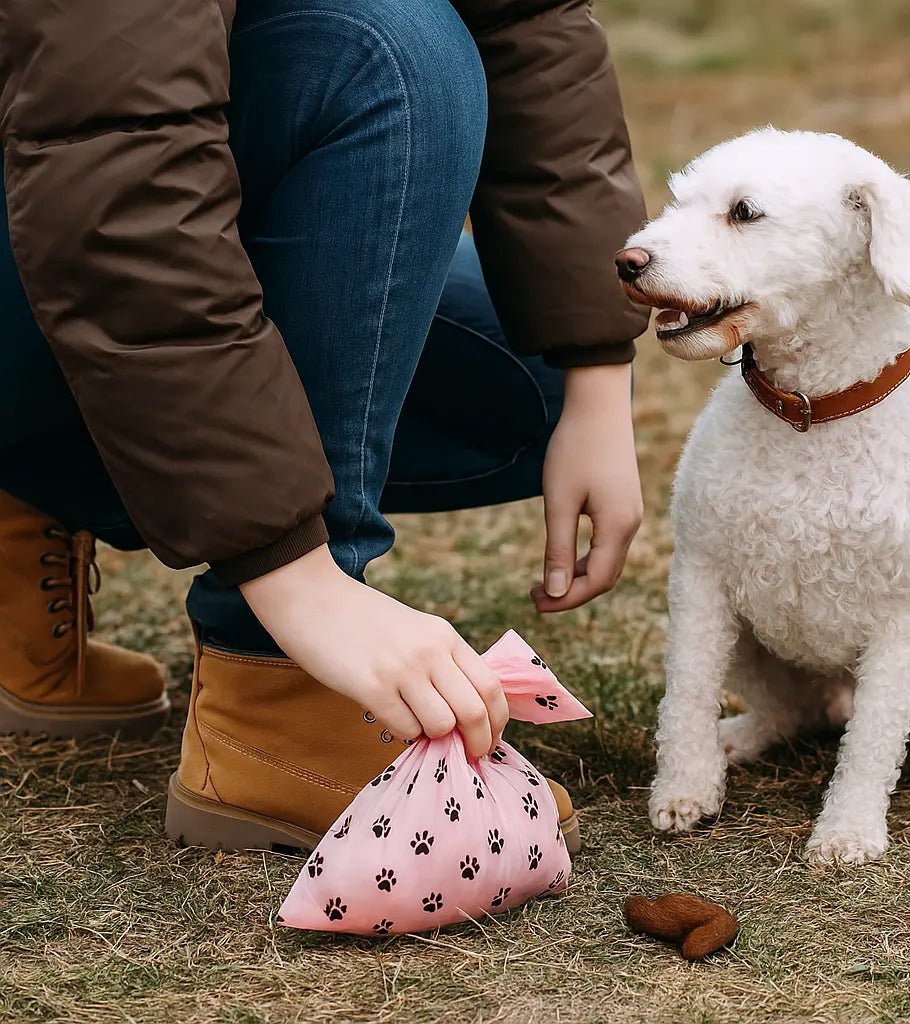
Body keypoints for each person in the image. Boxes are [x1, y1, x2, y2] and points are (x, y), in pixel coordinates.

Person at [0, 0, 648, 854]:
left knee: (533, 384)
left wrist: (597, 370)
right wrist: (296, 581)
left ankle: (27, 490)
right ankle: (267, 691)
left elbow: (524, 14)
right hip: (71, 188)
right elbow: (118, 184)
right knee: (379, 49)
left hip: (113, 169)